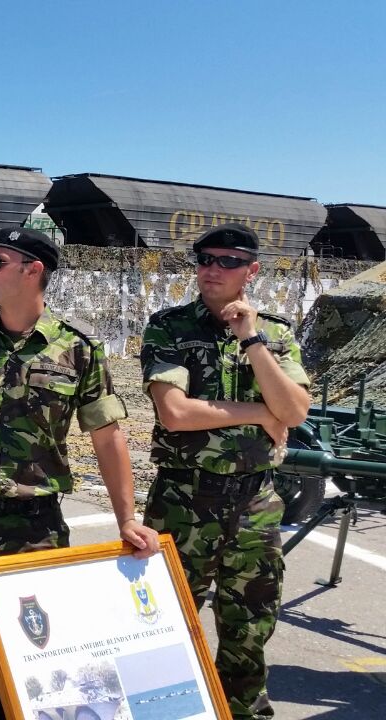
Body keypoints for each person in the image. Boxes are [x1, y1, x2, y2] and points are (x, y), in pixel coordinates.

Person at [0, 227, 159, 720]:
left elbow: (107, 437)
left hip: (34, 528)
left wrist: (127, 518)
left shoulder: (78, 350)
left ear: (32, 269)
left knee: (35, 661)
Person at [140, 223, 309, 719]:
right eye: (205, 258)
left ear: (251, 271)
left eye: (228, 262)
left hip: (255, 502)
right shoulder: (170, 327)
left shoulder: (274, 332)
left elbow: (295, 410)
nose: (213, 269)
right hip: (183, 500)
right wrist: (259, 412)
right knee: (166, 625)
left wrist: (251, 340)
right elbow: (175, 412)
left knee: (249, 630)